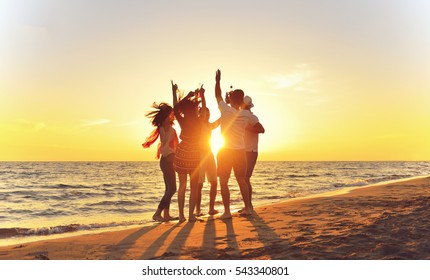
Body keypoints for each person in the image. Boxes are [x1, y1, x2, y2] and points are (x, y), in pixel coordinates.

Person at [214, 69, 259, 219]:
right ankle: (248, 208)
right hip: (240, 151)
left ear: (231, 98)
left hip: (226, 150)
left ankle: (227, 212)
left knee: (224, 181)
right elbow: (256, 125)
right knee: (241, 180)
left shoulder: (225, 110)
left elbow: (217, 95)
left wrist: (218, 81)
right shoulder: (246, 114)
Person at [172, 81, 206, 222]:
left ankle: (181, 215)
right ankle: (191, 215)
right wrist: (202, 95)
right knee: (193, 188)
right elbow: (203, 108)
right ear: (194, 109)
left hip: (181, 152)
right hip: (194, 153)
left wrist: (176, 92)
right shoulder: (199, 120)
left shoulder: (182, 119)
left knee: (182, 185)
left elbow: (175, 107)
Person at [142, 101, 178, 222]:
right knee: (172, 189)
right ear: (167, 114)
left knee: (168, 189)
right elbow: (175, 111)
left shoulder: (165, 126)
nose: (173, 115)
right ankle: (157, 213)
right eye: (171, 113)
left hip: (166, 160)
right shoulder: (165, 125)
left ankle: (166, 215)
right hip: (167, 160)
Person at [196, 107, 220, 216]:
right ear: (200, 114)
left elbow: (218, 122)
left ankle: (211, 208)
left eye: (208, 114)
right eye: (205, 114)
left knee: (214, 182)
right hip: (200, 155)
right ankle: (197, 210)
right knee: (199, 184)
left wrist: (226, 111)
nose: (207, 116)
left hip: (210, 154)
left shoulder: (209, 125)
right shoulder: (197, 125)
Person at [242, 96, 265, 211]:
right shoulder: (242, 116)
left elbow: (262, 129)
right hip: (243, 151)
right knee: (243, 179)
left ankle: (249, 206)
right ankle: (247, 205)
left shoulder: (251, 117)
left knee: (245, 178)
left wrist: (247, 128)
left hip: (251, 152)